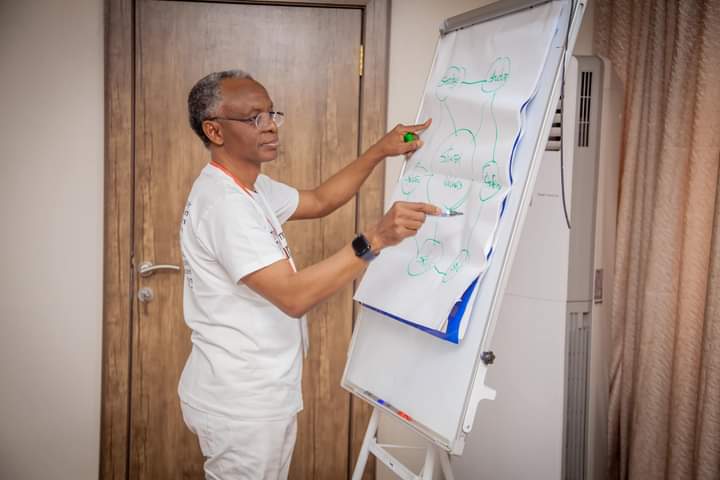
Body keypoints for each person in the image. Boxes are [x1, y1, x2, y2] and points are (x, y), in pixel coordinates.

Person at [179, 69, 437, 480]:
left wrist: (378, 150)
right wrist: (375, 238)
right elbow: (293, 296)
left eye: (270, 114)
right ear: (215, 130)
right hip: (241, 400)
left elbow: (320, 200)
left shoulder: (250, 187)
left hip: (258, 390)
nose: (269, 127)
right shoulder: (225, 205)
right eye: (253, 119)